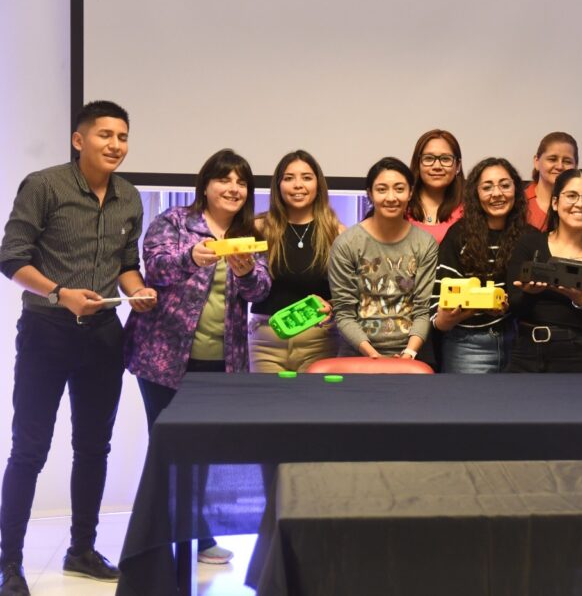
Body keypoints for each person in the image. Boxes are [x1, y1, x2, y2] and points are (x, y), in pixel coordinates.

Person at [0, 101, 157, 594]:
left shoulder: (130, 196)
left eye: (123, 137)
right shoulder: (44, 185)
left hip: (104, 333)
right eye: (105, 135)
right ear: (78, 139)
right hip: (47, 330)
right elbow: (11, 258)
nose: (116, 145)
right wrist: (59, 294)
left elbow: (126, 264)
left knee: (93, 446)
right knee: (29, 449)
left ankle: (82, 550)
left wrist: (138, 291)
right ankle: (9, 563)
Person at [124, 149, 270, 565]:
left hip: (221, 360)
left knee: (204, 448)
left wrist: (245, 271)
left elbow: (261, 290)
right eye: (224, 179)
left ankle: (200, 535)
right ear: (205, 185)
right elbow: (156, 268)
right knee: (165, 448)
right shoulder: (174, 221)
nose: (233, 188)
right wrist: (191, 258)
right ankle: (155, 541)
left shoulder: (247, 233)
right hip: (163, 356)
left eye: (241, 182)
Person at [506, 169, 582, 373]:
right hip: (526, 354)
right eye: (572, 196)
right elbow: (513, 308)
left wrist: (580, 301)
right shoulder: (529, 245)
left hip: (580, 357)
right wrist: (529, 294)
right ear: (555, 203)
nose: (580, 204)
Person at [330, 158, 438, 361]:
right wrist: (374, 356)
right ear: (370, 194)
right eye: (381, 189)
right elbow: (344, 312)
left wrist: (409, 353)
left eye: (399, 189)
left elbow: (423, 309)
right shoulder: (347, 243)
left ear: (410, 193)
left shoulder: (425, 243)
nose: (391, 197)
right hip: (358, 354)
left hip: (414, 354)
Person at [249, 150, 346, 373]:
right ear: (278, 185)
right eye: (289, 178)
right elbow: (245, 286)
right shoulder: (259, 228)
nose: (298, 185)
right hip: (264, 343)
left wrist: (332, 305)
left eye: (307, 177)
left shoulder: (337, 232)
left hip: (320, 342)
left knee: (314, 398)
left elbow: (350, 293)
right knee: (267, 397)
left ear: (318, 184)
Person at [431, 158, 529, 373]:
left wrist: (511, 305)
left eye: (505, 185)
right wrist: (445, 319)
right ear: (475, 194)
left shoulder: (529, 237)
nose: (497, 193)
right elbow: (439, 301)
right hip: (467, 345)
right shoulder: (459, 235)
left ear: (516, 189)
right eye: (487, 187)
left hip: (519, 344)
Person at [406, 129, 464, 242]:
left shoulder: (472, 208)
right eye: (429, 158)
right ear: (417, 164)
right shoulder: (401, 204)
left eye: (445, 159)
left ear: (457, 166)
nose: (437, 166)